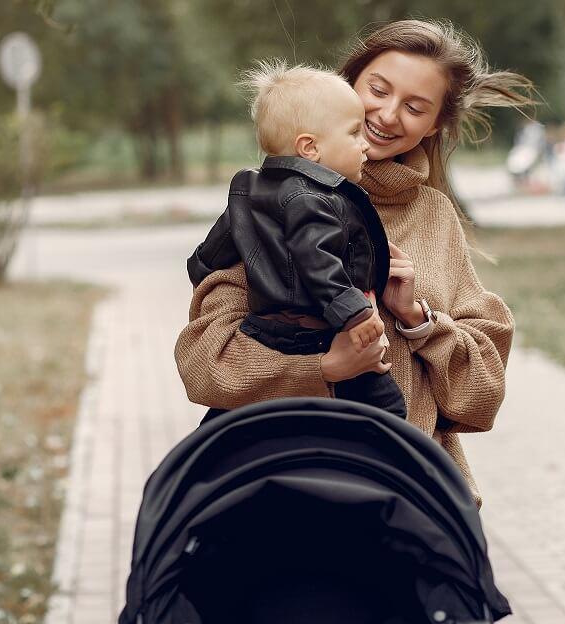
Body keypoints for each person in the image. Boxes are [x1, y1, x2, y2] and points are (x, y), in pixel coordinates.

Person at [175, 19, 535, 503]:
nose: (387, 115)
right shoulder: (273, 201)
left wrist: (418, 319)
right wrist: (321, 367)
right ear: (348, 84)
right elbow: (204, 362)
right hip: (281, 484)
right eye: (378, 90)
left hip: (408, 495)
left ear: (434, 125)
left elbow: (481, 396)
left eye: (414, 107)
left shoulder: (435, 216)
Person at [187, 62, 405, 419]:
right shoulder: (314, 199)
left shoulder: (249, 188)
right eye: (353, 133)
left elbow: (217, 247)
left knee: (241, 418)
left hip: (264, 329)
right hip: (316, 330)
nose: (364, 144)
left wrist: (199, 270)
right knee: (387, 409)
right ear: (310, 147)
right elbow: (317, 261)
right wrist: (356, 314)